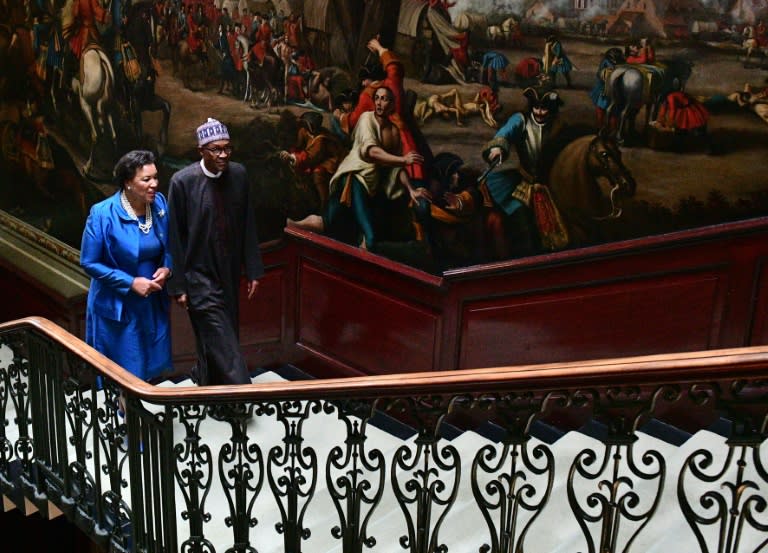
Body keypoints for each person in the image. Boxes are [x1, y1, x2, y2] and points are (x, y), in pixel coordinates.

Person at [167, 118, 264, 385]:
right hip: (197, 275)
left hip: (229, 272)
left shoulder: (239, 175)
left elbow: (248, 224)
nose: (223, 155)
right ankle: (242, 396)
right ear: (201, 151)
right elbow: (174, 237)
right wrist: (178, 286)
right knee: (221, 337)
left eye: (227, 149)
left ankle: (208, 385)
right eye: (216, 149)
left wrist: (253, 269)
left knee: (221, 333)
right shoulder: (182, 182)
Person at [290, 86, 430, 253]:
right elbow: (371, 152)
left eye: (384, 99)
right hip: (354, 178)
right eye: (377, 98)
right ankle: (289, 227)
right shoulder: (366, 119)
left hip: (372, 184)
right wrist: (404, 159)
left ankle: (292, 225)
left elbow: (395, 169)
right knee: (369, 238)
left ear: (392, 104)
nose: (379, 102)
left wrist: (411, 190)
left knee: (328, 221)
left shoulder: (393, 131)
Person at [80, 150, 173, 392]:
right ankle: (128, 423)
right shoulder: (102, 214)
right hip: (118, 305)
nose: (154, 184)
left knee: (149, 365)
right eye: (146, 180)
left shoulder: (160, 203)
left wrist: (167, 267)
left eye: (155, 177)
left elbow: (173, 244)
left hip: (151, 301)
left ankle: (138, 418)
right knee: (126, 370)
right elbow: (89, 262)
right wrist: (130, 282)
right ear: (128, 183)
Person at [480, 86, 570, 259]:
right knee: (522, 220)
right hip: (523, 181)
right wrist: (498, 148)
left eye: (544, 108)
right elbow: (503, 135)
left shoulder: (559, 125)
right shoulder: (520, 120)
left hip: (551, 184)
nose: (540, 112)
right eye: (536, 107)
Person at [278, 111, 347, 210]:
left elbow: (310, 157)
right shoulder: (304, 131)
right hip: (315, 158)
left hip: (332, 160)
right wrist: (290, 152)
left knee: (318, 173)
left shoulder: (321, 140)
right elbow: (298, 145)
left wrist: (291, 157)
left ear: (312, 126)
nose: (304, 126)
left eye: (306, 124)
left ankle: (324, 203)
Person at [590, 47, 625, 128]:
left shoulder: (621, 64)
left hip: (614, 93)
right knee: (603, 110)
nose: (614, 61)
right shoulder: (606, 62)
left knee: (612, 113)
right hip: (605, 91)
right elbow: (599, 74)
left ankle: (609, 130)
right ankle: (601, 127)